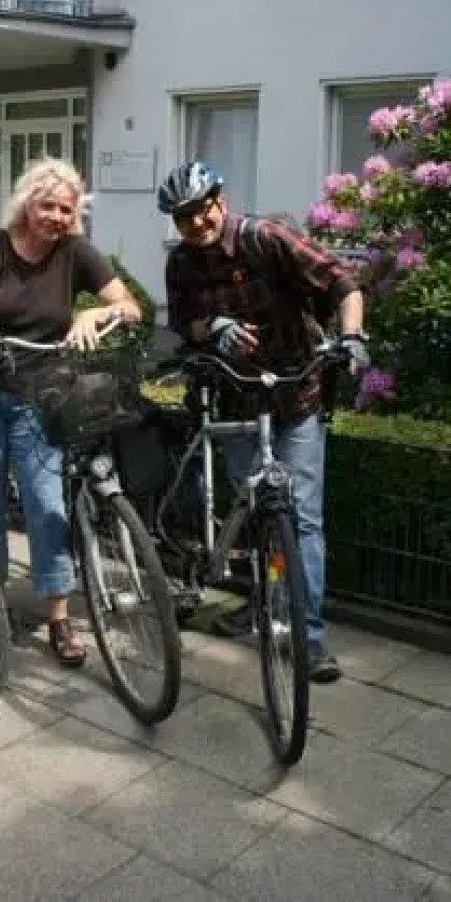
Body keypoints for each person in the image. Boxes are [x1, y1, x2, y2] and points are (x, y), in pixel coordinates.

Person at [158, 161, 370, 684]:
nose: (195, 226)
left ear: (219, 203)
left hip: (297, 394)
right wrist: (216, 326)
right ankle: (263, 602)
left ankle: (309, 636)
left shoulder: (267, 238)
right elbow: (184, 321)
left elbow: (344, 283)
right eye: (183, 219)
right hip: (235, 402)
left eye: (200, 212)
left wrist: (353, 337)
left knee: (299, 518)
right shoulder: (183, 263)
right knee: (256, 512)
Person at [0, 157, 141, 666]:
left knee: (46, 503)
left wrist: (96, 310)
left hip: (41, 394)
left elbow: (130, 306)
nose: (56, 216)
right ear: (26, 204)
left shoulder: (76, 252)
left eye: (66, 209)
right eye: (47, 205)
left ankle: (59, 616)